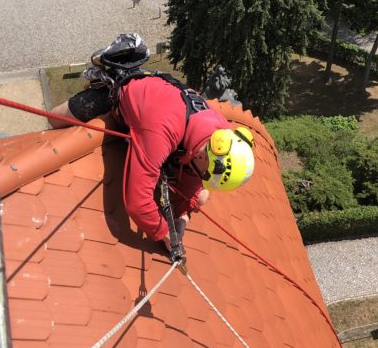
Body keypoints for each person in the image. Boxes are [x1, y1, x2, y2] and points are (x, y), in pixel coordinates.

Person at [48, 34, 255, 258]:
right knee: (55, 118)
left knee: (202, 196)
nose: (202, 178)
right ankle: (110, 70)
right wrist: (164, 234)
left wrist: (181, 217)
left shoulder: (219, 134)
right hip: (122, 92)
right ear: (206, 156)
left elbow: (193, 184)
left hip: (163, 97)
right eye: (206, 174)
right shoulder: (160, 132)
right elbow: (137, 203)